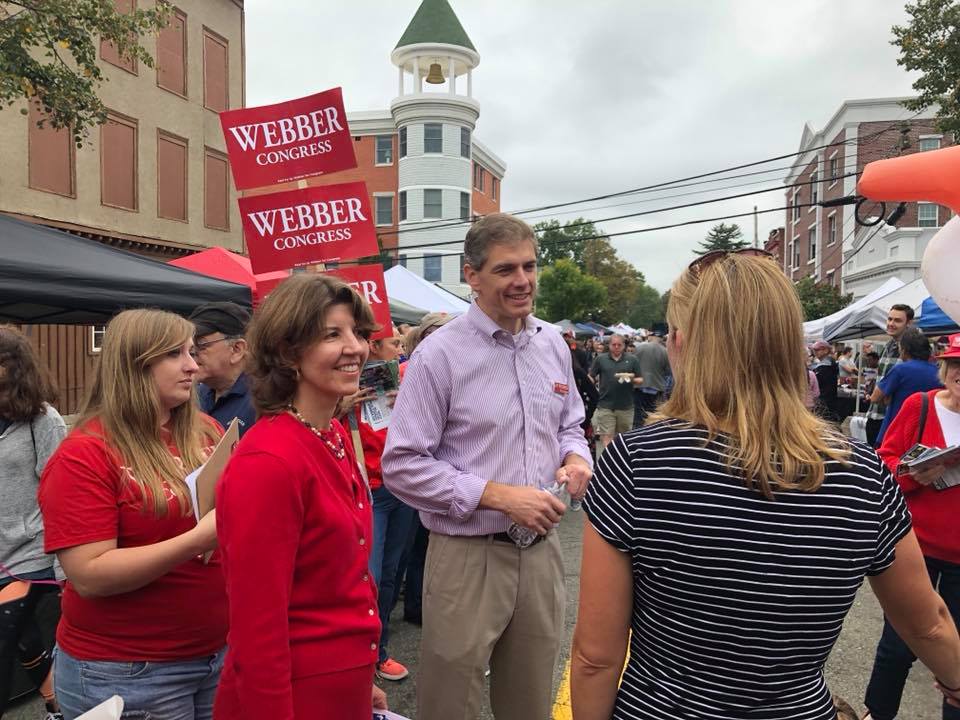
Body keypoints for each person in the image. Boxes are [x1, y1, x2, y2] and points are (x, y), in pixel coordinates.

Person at [571, 250, 960, 720]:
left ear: (682, 342)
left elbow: (596, 657)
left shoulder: (636, 463)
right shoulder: (861, 473)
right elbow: (929, 624)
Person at [382, 213, 592, 720]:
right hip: (467, 555)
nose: (522, 280)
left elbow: (570, 424)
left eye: (529, 266)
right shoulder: (440, 355)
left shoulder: (551, 345)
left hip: (541, 555)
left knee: (530, 700)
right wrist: (495, 494)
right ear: (471, 275)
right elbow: (402, 464)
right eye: (504, 270)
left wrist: (576, 458)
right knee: (451, 701)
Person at [213, 274, 387, 720]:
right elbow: (258, 631)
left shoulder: (330, 434)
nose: (356, 347)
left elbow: (342, 578)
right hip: (293, 697)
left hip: (339, 687)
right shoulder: (269, 462)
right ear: (289, 351)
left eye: (358, 333)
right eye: (333, 334)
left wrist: (361, 683)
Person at [38, 309, 226, 720]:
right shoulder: (84, 454)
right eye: (175, 354)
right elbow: (89, 574)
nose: (193, 365)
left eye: (192, 352)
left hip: (216, 656)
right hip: (126, 672)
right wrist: (199, 539)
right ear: (135, 364)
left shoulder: (207, 430)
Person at [864, 333, 960, 720]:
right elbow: (882, 465)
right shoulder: (919, 406)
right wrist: (912, 475)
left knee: (955, 650)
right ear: (945, 369)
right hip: (915, 545)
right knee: (898, 644)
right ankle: (877, 713)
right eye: (956, 365)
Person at [0, 327, 66, 720]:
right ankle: (60, 706)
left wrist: (65, 573)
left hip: (30, 556)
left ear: (13, 368)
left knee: (4, 641)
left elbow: (61, 495)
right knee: (25, 641)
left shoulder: (44, 420)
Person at [346, 327, 414, 682]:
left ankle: (379, 652)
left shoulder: (399, 382)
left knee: (388, 576)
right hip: (367, 491)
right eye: (394, 344)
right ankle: (359, 654)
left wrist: (405, 404)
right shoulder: (340, 383)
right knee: (367, 576)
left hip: (398, 486)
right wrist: (343, 407)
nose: (399, 351)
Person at [189, 302, 256, 437]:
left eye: (201, 344)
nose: (191, 353)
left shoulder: (263, 400)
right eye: (189, 346)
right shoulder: (193, 395)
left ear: (237, 349)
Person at [871, 327, 942, 447]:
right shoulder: (938, 372)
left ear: (904, 350)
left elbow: (874, 398)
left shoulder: (900, 369)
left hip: (895, 431)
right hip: (924, 433)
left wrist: (889, 397)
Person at [867, 304, 914, 446]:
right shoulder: (888, 345)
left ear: (909, 323)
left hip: (894, 419)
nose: (891, 324)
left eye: (897, 320)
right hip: (875, 414)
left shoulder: (913, 348)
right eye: (889, 319)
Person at [589, 334, 643, 448]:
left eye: (619, 345)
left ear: (624, 346)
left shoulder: (632, 359)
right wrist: (586, 381)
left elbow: (640, 379)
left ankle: (620, 461)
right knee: (607, 437)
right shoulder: (601, 359)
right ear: (609, 345)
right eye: (614, 344)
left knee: (623, 438)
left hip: (626, 406)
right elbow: (591, 376)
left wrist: (630, 377)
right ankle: (609, 461)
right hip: (606, 405)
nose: (617, 347)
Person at [632, 332, 671, 427]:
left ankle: (637, 432)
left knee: (637, 414)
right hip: (656, 387)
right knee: (652, 415)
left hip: (639, 386)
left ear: (651, 337)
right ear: (660, 339)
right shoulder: (665, 351)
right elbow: (668, 371)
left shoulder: (639, 348)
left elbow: (632, 365)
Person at [811, 339, 840, 421]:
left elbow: (819, 383)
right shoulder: (828, 363)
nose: (815, 352)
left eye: (817, 349)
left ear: (826, 350)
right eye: (814, 350)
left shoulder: (825, 365)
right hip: (828, 399)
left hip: (824, 400)